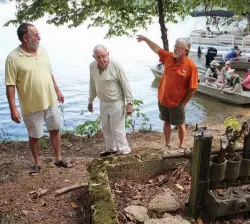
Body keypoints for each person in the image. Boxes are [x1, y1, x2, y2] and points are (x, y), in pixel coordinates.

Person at [5, 23, 73, 175]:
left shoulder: (42, 51)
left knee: (55, 129)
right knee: (35, 135)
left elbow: (49, 72)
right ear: (25, 38)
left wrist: (57, 90)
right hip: (31, 104)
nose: (39, 37)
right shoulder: (13, 58)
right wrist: (13, 109)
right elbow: (10, 85)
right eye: (35, 35)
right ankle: (37, 163)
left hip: (50, 100)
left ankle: (58, 158)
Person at [137, 35, 198, 150]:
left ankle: (182, 145)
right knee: (166, 122)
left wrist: (184, 103)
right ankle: (167, 144)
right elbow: (157, 49)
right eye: (175, 46)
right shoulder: (169, 57)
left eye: (178, 47)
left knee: (180, 124)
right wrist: (145, 39)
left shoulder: (191, 66)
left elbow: (193, 88)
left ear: (185, 50)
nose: (175, 49)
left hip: (177, 103)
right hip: (163, 99)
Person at [88, 45, 133, 157]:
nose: (102, 60)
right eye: (98, 57)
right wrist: (90, 100)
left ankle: (124, 150)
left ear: (108, 54)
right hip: (103, 101)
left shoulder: (116, 65)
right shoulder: (92, 66)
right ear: (94, 57)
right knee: (106, 127)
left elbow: (125, 84)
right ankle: (111, 149)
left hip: (116, 101)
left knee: (117, 128)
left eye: (104, 56)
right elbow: (92, 84)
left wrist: (129, 103)